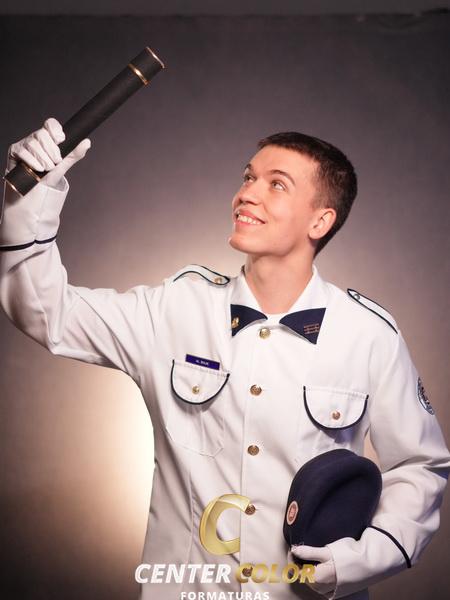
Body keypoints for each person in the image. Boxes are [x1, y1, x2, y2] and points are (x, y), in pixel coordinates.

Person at [0, 118, 449, 600]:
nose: (247, 194)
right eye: (248, 177)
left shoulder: (369, 334)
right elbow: (47, 311)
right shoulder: (173, 308)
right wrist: (31, 194)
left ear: (320, 222)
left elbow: (420, 466)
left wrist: (357, 562)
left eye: (276, 184)